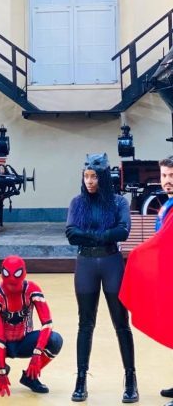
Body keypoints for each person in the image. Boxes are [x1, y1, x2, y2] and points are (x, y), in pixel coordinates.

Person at [65, 153, 138, 403]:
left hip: (111, 263)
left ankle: (130, 379)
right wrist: (104, 235)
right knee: (85, 324)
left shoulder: (118, 202)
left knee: (121, 323)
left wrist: (91, 235)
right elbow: (71, 233)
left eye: (94, 177)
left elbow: (123, 231)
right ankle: (80, 379)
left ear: (103, 178)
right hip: (86, 264)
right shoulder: (77, 202)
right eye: (86, 176)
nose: (89, 181)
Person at [119, 155, 173, 406]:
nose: (167, 180)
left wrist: (138, 254)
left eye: (172, 176)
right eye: (164, 175)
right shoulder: (168, 204)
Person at [0, 255, 63, 397]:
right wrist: (1, 371)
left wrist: (37, 354)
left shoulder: (32, 289)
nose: (12, 285)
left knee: (55, 340)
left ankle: (30, 377)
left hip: (23, 340)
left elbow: (47, 323)